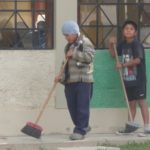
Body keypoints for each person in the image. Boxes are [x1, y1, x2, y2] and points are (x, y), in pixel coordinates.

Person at [55, 20, 95, 140]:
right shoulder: (68, 46)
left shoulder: (85, 42)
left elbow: (90, 57)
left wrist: (74, 54)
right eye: (64, 35)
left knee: (82, 107)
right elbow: (65, 63)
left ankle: (80, 130)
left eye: (67, 35)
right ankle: (84, 126)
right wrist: (60, 76)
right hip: (70, 81)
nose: (66, 37)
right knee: (72, 107)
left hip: (83, 81)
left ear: (74, 32)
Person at [109, 20, 150, 133]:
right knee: (131, 103)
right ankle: (130, 126)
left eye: (131, 29)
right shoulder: (122, 44)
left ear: (135, 32)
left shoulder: (137, 44)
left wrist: (122, 65)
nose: (128, 30)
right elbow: (113, 55)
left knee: (141, 102)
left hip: (138, 79)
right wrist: (111, 44)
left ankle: (147, 127)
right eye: (126, 28)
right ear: (123, 31)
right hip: (127, 79)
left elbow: (138, 60)